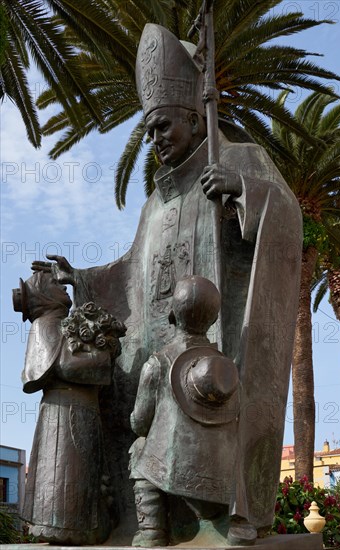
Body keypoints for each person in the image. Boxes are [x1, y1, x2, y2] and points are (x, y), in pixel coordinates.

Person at [32, 23, 302, 545]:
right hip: (157, 343)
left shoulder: (240, 160)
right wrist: (82, 279)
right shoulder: (156, 202)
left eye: (162, 126)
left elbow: (287, 218)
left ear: (195, 118)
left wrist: (244, 190)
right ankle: (130, 521)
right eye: (148, 130)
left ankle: (215, 521)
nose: (155, 139)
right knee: (125, 402)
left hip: (217, 345)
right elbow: (132, 269)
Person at [12, 272, 125, 545]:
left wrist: (77, 279)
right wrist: (102, 358)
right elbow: (66, 365)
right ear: (43, 296)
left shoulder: (61, 323)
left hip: (81, 409)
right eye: (54, 284)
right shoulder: (45, 325)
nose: (62, 287)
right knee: (66, 470)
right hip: (63, 412)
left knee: (84, 469)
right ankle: (68, 528)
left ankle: (85, 524)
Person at [129, 276, 240, 547]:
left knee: (138, 451)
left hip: (174, 467)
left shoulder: (157, 363)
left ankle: (152, 534)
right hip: (222, 471)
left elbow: (140, 423)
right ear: (212, 320)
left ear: (172, 315)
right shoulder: (225, 369)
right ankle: (221, 520)